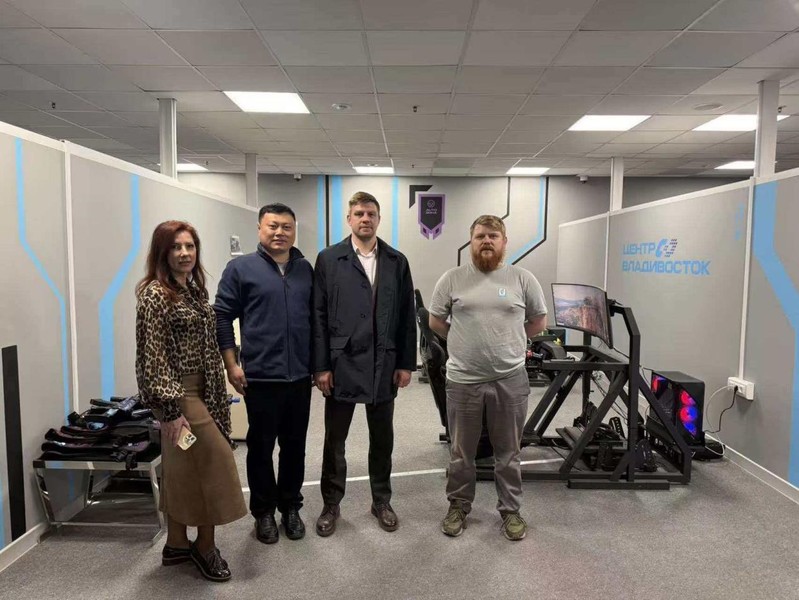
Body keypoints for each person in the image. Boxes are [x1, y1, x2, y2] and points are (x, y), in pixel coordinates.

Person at [135, 220, 247, 582]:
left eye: (190, 246)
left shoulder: (195, 291)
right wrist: (169, 411)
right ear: (162, 252)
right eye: (176, 247)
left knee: (182, 468)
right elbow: (152, 358)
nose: (184, 253)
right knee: (216, 463)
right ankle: (205, 546)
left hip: (207, 391)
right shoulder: (155, 295)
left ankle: (176, 543)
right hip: (180, 397)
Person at [428, 215, 547, 541]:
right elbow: (436, 321)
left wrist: (512, 341)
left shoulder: (522, 279)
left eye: (493, 236)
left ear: (504, 242)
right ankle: (458, 506)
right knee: (461, 453)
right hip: (463, 380)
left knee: (508, 453)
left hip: (509, 379)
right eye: (480, 236)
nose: (486, 241)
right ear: (471, 241)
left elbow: (538, 320)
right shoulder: (452, 279)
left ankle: (511, 511)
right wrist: (461, 339)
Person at [313, 191, 416, 536]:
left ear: (379, 219)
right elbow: (318, 315)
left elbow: (406, 316)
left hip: (383, 363)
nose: (365, 219)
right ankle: (331, 504)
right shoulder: (329, 259)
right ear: (349, 219)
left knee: (382, 439)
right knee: (335, 441)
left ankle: (381, 501)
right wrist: (321, 366)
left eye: (371, 213)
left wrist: (406, 363)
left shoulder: (396, 261)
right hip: (341, 362)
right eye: (359, 213)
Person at [214, 203, 314, 544]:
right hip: (260, 378)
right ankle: (263, 512)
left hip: (299, 378)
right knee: (260, 448)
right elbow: (222, 316)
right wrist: (231, 364)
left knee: (294, 447)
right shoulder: (241, 269)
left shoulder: (305, 270)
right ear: (260, 228)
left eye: (286, 227)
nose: (279, 232)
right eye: (273, 226)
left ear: (294, 231)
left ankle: (290, 507)